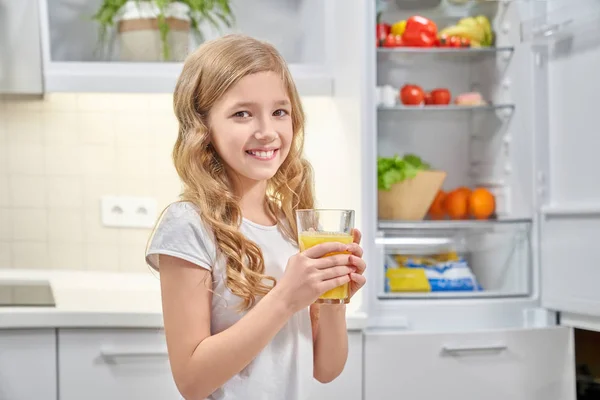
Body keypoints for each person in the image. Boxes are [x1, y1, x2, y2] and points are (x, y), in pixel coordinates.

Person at [145, 34, 367, 400]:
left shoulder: (288, 224)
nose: (266, 132)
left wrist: (333, 298)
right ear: (203, 128)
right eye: (242, 114)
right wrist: (286, 299)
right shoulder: (189, 225)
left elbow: (326, 369)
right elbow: (192, 381)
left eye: (279, 111)